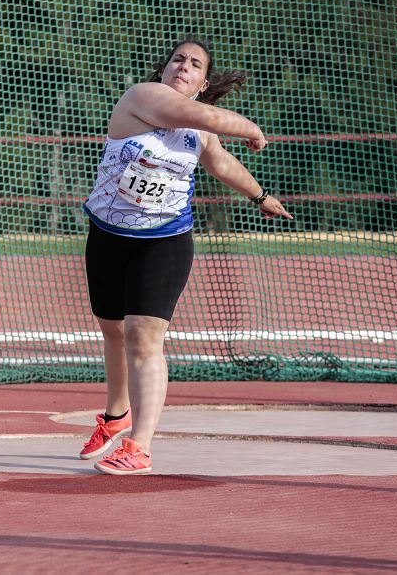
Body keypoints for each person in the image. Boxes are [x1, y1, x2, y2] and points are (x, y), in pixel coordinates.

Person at [80, 38, 293, 475]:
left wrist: (262, 196)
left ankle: (139, 445)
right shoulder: (142, 98)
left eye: (195, 65)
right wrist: (251, 128)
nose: (184, 66)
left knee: (143, 335)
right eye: (178, 59)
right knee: (113, 331)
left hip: (165, 240)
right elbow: (210, 116)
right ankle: (117, 415)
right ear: (164, 69)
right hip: (107, 234)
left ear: (202, 82)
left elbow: (222, 163)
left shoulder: (201, 132)